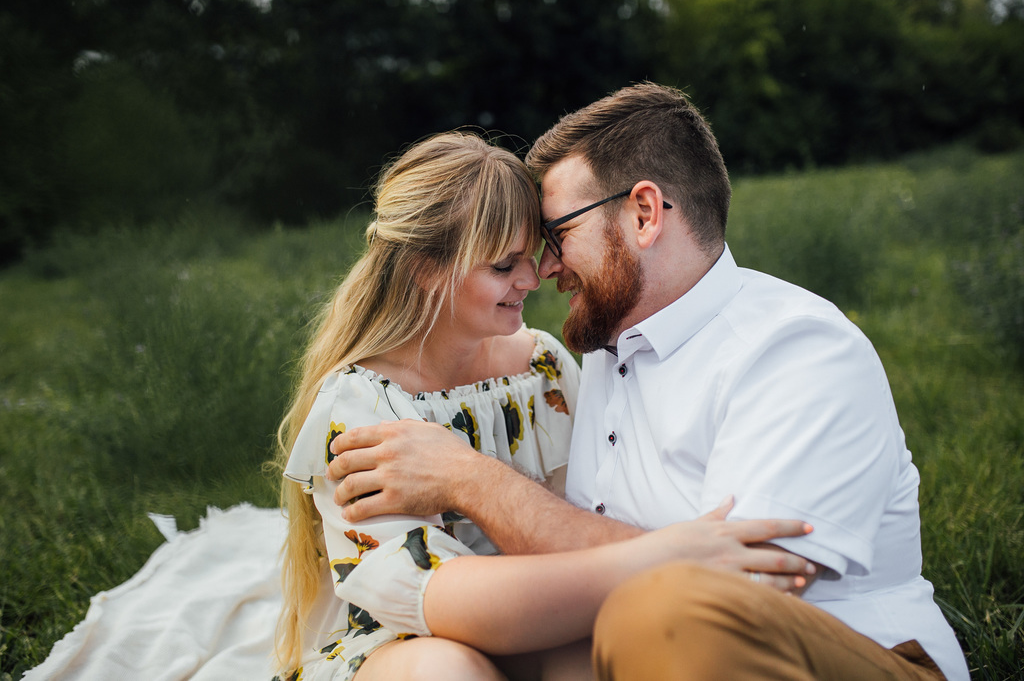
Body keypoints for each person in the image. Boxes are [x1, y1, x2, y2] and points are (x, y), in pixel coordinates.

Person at [325, 85, 970, 680]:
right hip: (639, 655)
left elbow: (728, 594)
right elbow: (573, 565)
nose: (544, 267)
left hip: (843, 656)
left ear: (644, 214)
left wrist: (472, 478)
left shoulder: (794, 350)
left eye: (558, 234)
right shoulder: (604, 352)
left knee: (658, 610)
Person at [272, 130, 814, 681]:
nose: (533, 279)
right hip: (401, 645)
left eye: (532, 256)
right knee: (448, 671)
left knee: (599, 656)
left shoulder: (541, 369)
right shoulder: (364, 403)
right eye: (503, 267)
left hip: (546, 616)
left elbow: (571, 519)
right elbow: (430, 599)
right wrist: (658, 556)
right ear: (425, 269)